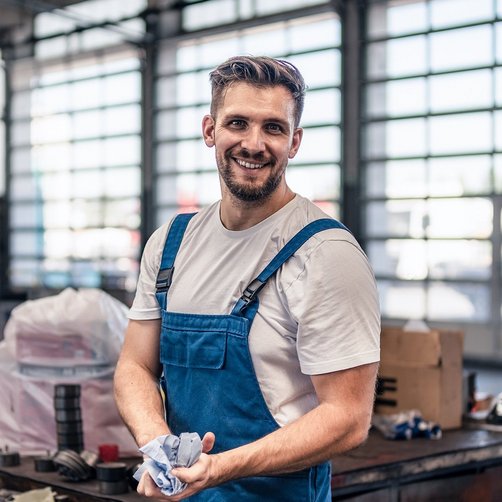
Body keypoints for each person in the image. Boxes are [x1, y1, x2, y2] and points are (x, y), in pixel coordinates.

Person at [114, 55, 380, 501]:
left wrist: (219, 469)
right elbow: (135, 366)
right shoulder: (169, 244)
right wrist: (159, 450)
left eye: (273, 128)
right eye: (237, 123)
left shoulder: (326, 255)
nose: (253, 144)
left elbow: (348, 417)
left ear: (294, 142)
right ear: (210, 131)